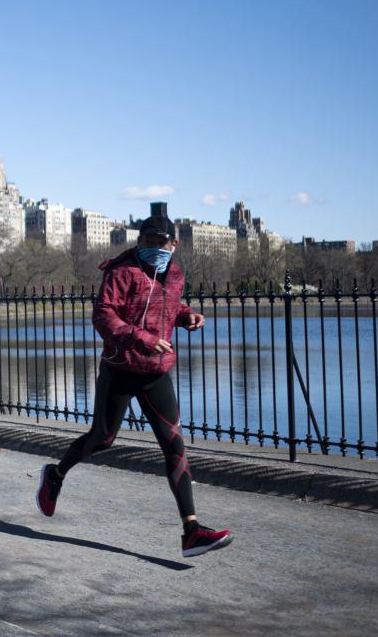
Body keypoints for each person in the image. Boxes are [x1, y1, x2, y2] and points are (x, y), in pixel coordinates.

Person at [34, 214, 234, 558]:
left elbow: (169, 308)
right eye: (149, 243)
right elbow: (103, 315)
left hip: (156, 371)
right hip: (121, 368)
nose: (156, 249)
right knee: (104, 438)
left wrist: (187, 317)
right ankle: (55, 474)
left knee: (174, 446)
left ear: (174, 244)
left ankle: (191, 531)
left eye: (163, 243)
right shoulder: (121, 272)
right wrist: (141, 338)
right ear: (139, 243)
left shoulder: (174, 274)